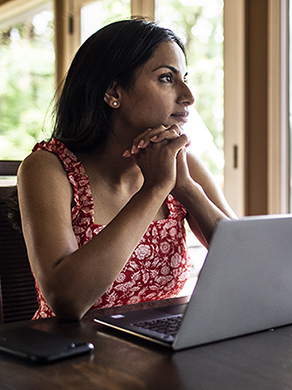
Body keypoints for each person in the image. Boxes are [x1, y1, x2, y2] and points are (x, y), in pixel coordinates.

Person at [16, 18, 236, 321]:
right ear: (113, 93)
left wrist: (183, 187)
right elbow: (66, 299)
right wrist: (155, 189)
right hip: (74, 357)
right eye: (166, 78)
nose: (188, 95)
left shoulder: (181, 163)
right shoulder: (49, 168)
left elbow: (245, 263)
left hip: (162, 349)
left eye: (185, 78)